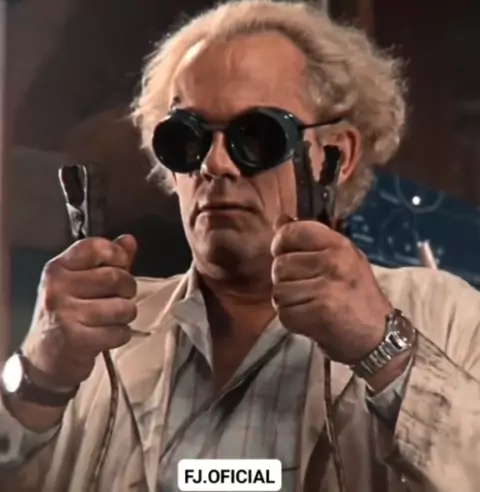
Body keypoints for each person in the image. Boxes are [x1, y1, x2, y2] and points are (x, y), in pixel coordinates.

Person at [0, 1, 479, 491]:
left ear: (336, 153)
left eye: (257, 136)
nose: (215, 165)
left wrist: (384, 351)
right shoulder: (98, 339)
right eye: (186, 139)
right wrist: (37, 375)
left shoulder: (443, 316)